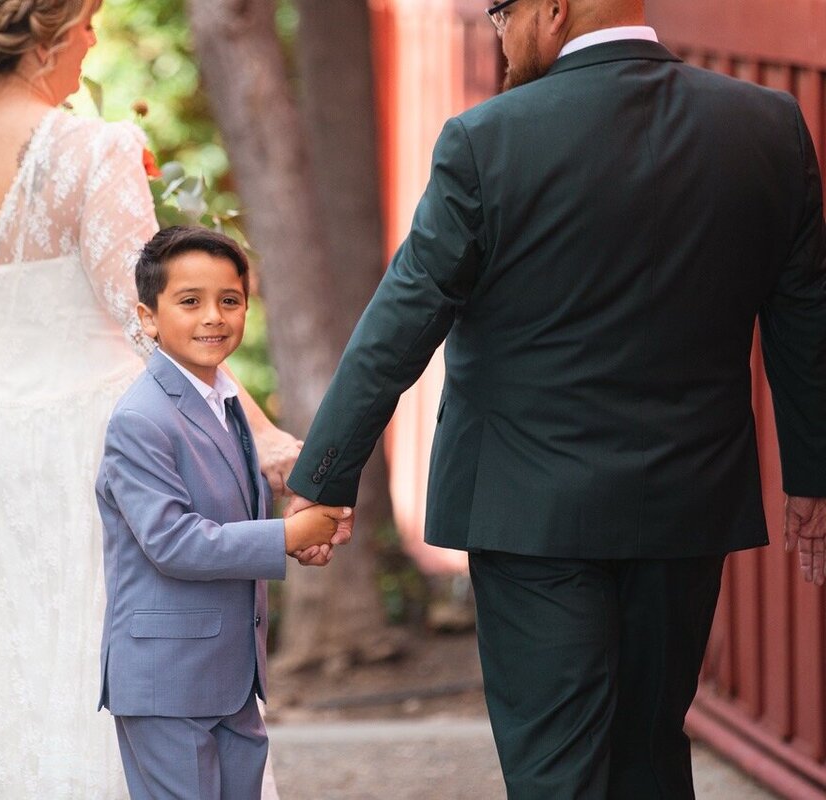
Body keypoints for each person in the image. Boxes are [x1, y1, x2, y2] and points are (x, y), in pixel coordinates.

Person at [285, 0, 826, 797]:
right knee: (649, 758)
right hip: (684, 507)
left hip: (528, 513)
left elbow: (402, 321)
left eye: (501, 13)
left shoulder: (486, 140)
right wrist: (812, 477)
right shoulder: (767, 126)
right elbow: (805, 317)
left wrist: (323, 475)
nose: (498, 36)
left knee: (556, 772)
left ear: (553, 9)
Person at [0, 1, 302, 795]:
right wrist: (258, 432)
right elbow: (154, 328)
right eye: (89, 26)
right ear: (47, 42)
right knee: (81, 656)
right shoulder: (90, 152)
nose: (95, 43)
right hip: (71, 445)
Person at [97, 227, 349, 800]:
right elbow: (175, 542)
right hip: (168, 684)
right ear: (148, 316)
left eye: (229, 301)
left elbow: (232, 513)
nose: (213, 316)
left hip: (232, 678)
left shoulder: (223, 404)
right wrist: (285, 536)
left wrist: (299, 531)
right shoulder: (141, 418)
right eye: (190, 302)